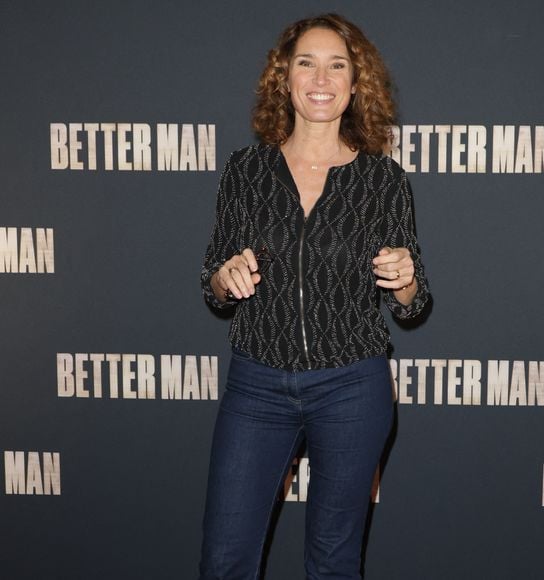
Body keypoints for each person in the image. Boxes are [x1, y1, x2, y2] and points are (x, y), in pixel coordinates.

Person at [199, 13, 430, 580]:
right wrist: (223, 277)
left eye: (337, 65)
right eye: (307, 62)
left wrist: (405, 280)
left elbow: (414, 302)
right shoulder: (246, 170)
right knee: (225, 559)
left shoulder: (383, 179)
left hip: (352, 386)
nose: (321, 77)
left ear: (355, 85)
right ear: (286, 77)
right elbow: (214, 279)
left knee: (333, 562)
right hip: (257, 385)